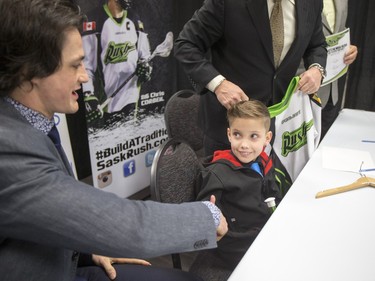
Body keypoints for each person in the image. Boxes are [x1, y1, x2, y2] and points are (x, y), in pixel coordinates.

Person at [0, 1, 228, 281]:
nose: (84, 77)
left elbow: (50, 214)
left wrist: (86, 248)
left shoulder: (28, 121)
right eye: (74, 66)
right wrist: (207, 217)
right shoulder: (8, 149)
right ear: (29, 74)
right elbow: (128, 226)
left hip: (70, 257)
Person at [174, 0, 328, 156]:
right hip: (230, 128)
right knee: (226, 181)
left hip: (280, 126)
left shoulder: (312, 3)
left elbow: (317, 45)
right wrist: (218, 84)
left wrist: (317, 68)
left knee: (274, 180)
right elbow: (186, 45)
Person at [189, 100, 282, 281]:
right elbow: (206, 221)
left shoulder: (263, 160)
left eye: (253, 136)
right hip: (236, 244)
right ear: (229, 134)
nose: (244, 145)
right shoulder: (217, 174)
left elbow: (272, 192)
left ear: (267, 138)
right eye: (238, 135)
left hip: (264, 229)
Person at [82, 0, 153, 124]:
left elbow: (145, 56)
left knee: (129, 138)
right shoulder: (95, 20)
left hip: (131, 96)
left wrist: (146, 68)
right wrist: (88, 93)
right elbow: (86, 66)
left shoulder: (134, 18)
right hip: (105, 101)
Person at [297, 0, 358, 140]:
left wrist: (349, 49)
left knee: (324, 151)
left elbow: (338, 32)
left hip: (332, 90)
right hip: (302, 88)